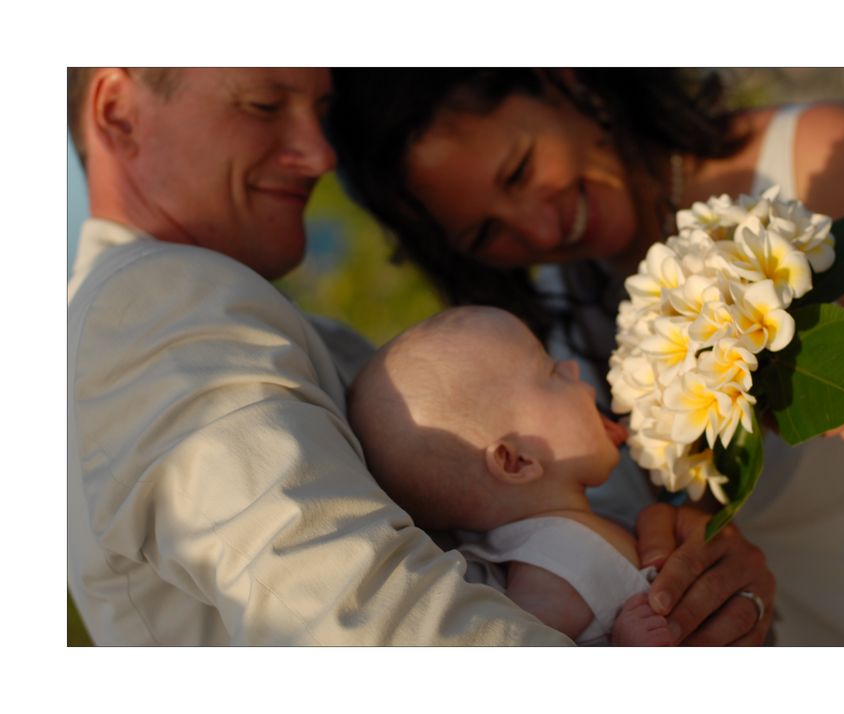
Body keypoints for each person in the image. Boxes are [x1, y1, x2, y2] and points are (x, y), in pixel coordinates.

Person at [67, 67, 773, 646]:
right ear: (118, 110)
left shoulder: (253, 323)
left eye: (319, 110)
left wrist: (681, 572)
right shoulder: (157, 299)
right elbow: (357, 620)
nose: (320, 156)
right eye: (262, 104)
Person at [329, 68, 844, 645]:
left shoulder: (816, 160)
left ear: (560, 78)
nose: (540, 233)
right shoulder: (555, 336)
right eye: (486, 234)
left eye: (519, 172)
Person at [349, 305, 770, 645]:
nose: (572, 368)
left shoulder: (568, 536)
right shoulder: (551, 565)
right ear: (517, 462)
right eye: (550, 371)